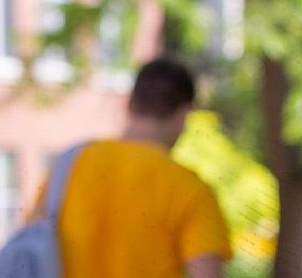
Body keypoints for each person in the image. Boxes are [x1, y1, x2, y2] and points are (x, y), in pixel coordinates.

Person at [31, 58, 230, 278]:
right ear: (184, 114)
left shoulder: (69, 165)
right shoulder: (191, 190)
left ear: (129, 103)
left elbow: (30, 250)